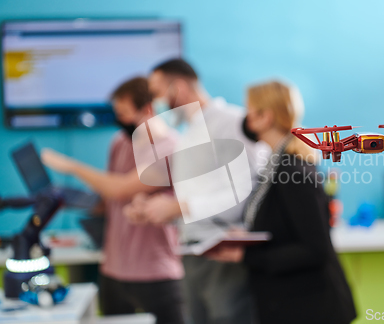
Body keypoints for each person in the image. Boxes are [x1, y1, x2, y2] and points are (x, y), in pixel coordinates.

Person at [125, 59, 269, 324]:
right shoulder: (189, 133)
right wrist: (156, 208)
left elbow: (247, 192)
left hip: (223, 255)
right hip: (192, 253)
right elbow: (198, 194)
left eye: (156, 94)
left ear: (177, 88)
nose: (153, 105)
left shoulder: (231, 123)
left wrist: (178, 207)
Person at [207, 81, 357, 324]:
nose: (245, 119)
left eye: (250, 110)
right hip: (290, 302)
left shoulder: (292, 170)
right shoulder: (276, 164)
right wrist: (246, 235)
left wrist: (246, 256)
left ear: (266, 117)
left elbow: (314, 249)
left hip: (311, 308)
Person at [41, 77, 185, 324]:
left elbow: (120, 189)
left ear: (147, 109)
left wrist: (73, 167)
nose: (121, 120)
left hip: (156, 272)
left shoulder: (168, 147)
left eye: (125, 113)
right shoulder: (119, 142)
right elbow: (109, 199)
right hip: (114, 270)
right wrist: (66, 198)